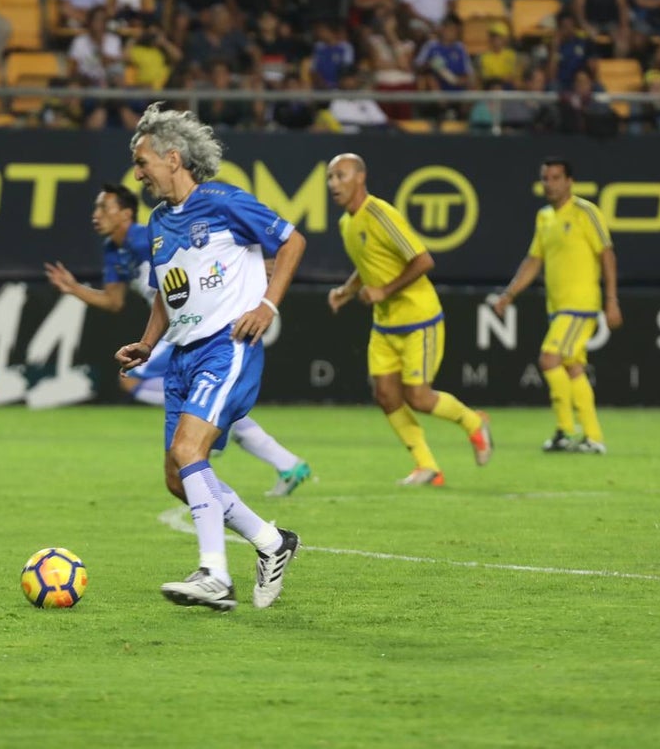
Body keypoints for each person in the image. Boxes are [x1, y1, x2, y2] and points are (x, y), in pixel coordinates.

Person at [114, 102, 307, 612]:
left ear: (172, 158)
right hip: (180, 355)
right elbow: (165, 292)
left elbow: (292, 242)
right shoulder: (157, 222)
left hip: (228, 346)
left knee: (189, 448)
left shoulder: (224, 202)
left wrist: (267, 305)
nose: (138, 174)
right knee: (178, 477)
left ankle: (214, 574)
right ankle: (271, 541)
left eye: (143, 163)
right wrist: (147, 343)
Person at [46, 183, 312, 497]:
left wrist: (249, 263)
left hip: (196, 325)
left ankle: (255, 451)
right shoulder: (114, 250)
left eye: (104, 208)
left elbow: (197, 258)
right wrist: (74, 288)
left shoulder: (142, 238)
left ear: (126, 214)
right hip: (173, 328)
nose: (96, 215)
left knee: (140, 386)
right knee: (200, 403)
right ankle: (279, 459)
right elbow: (114, 301)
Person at [325, 154, 493, 487]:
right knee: (386, 395)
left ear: (360, 177)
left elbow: (422, 260)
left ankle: (473, 422)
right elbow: (369, 262)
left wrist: (384, 291)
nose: (333, 184)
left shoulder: (381, 213)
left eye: (340, 176)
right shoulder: (347, 223)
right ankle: (427, 466)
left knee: (418, 397)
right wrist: (346, 291)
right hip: (385, 324)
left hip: (419, 319)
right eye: (330, 177)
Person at [492, 157, 623, 454]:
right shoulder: (544, 217)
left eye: (555, 177)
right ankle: (593, 437)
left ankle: (566, 431)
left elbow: (607, 254)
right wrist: (510, 293)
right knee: (573, 367)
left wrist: (611, 300)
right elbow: (534, 260)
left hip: (580, 305)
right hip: (558, 307)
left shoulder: (585, 212)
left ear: (569, 181)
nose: (549, 183)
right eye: (545, 178)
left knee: (549, 359)